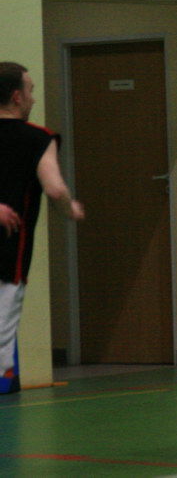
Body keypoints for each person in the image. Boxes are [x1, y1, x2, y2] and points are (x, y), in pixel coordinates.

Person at [0, 62, 85, 394]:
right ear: (17, 96)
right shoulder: (38, 138)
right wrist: (70, 209)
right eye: (31, 91)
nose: (34, 98)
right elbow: (55, 189)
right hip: (8, 256)